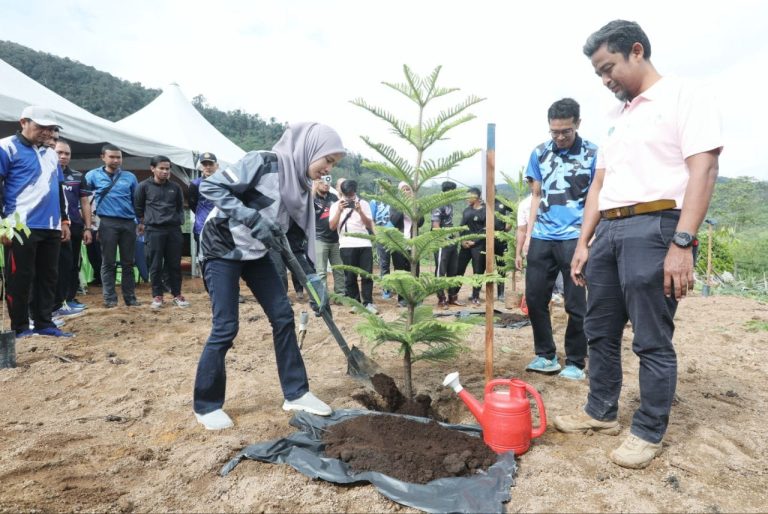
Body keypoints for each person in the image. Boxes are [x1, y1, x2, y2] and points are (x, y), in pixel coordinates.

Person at [553, 20, 722, 469]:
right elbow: (599, 184)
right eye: (598, 75)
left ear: (636, 51)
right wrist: (585, 241)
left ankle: (648, 429)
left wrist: (682, 242)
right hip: (608, 229)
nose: (606, 80)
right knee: (599, 330)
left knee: (650, 337)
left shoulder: (685, 95)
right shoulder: (617, 118)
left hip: (658, 225)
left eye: (609, 68)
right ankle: (600, 411)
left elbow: (703, 168)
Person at [193, 122, 345, 430]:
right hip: (222, 247)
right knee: (226, 326)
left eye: (333, 165)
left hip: (257, 253)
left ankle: (296, 392)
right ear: (309, 149)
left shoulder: (301, 188)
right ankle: (207, 405)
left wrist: (314, 282)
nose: (328, 169)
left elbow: (296, 241)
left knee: (282, 315)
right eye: (327, 160)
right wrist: (250, 216)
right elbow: (211, 187)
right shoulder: (263, 162)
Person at [522, 98, 597, 380]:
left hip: (575, 237)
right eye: (555, 131)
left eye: (566, 131)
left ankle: (576, 361)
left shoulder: (592, 154)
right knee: (535, 297)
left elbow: (596, 197)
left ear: (578, 123)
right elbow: (536, 196)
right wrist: (529, 235)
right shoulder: (539, 153)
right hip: (542, 235)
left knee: (576, 303)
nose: (560, 137)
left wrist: (588, 239)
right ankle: (545, 355)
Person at [0, 106, 72, 337]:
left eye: (51, 129)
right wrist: (2, 224)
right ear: (23, 122)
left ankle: (44, 322)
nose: (47, 132)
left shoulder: (51, 154)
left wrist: (63, 220)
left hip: (50, 225)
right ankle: (20, 327)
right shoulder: (6, 147)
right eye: (41, 126)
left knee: (49, 277)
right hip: (19, 225)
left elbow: (58, 189)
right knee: (20, 278)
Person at [82, 144, 140, 308]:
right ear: (103, 157)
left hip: (129, 223)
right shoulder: (92, 175)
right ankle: (110, 299)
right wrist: (90, 220)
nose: (116, 160)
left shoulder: (130, 177)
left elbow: (136, 202)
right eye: (112, 157)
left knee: (128, 262)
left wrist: (140, 222)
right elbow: (84, 199)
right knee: (108, 262)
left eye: (119, 157)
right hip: (107, 222)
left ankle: (130, 298)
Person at [135, 155, 188, 309]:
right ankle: (157, 296)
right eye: (161, 168)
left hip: (173, 230)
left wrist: (178, 221)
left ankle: (177, 294)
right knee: (155, 264)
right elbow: (138, 207)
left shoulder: (175, 187)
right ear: (153, 169)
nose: (165, 171)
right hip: (153, 230)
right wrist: (144, 223)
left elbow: (180, 207)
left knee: (174, 264)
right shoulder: (143, 186)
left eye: (167, 169)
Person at [53, 140, 93, 315]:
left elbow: (85, 203)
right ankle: (55, 302)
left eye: (67, 154)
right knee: (54, 266)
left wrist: (87, 228)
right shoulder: (45, 175)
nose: (63, 157)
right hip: (52, 227)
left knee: (72, 264)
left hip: (75, 226)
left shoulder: (77, 176)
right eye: (59, 152)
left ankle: (68, 299)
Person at [329, 179, 377, 314]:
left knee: (367, 275)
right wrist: (339, 211)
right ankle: (355, 303)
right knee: (350, 276)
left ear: (355, 191)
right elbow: (332, 227)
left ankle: (368, 303)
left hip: (364, 243)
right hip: (346, 244)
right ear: (341, 192)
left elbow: (369, 225)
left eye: (351, 194)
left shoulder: (364, 204)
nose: (349, 197)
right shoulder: (335, 206)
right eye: (346, 195)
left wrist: (360, 211)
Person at [389, 181, 424, 307]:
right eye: (403, 189)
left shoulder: (416, 204)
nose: (406, 192)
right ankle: (402, 299)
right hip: (399, 243)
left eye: (408, 189)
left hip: (413, 243)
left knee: (414, 270)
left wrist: (413, 208)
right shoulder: (395, 204)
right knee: (400, 271)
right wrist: (403, 207)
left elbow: (420, 222)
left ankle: (415, 298)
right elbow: (394, 221)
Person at [312, 174, 345, 298]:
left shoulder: (334, 197)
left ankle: (340, 295)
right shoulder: (312, 197)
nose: (326, 185)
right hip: (319, 238)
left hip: (335, 239)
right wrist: (313, 187)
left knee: (339, 269)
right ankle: (323, 297)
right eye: (322, 182)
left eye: (328, 183)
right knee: (321, 271)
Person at [433, 180, 463, 309]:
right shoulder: (438, 204)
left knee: (453, 270)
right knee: (441, 270)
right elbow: (435, 226)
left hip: (451, 242)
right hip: (441, 242)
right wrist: (445, 236)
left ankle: (452, 297)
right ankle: (441, 299)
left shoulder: (449, 204)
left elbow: (449, 223)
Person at [456, 187, 486, 305]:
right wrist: (463, 241)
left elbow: (486, 230)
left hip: (478, 246)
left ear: (476, 197)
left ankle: (475, 296)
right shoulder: (466, 211)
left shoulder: (485, 211)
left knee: (477, 271)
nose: (466, 198)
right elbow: (462, 227)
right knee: (459, 269)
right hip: (465, 245)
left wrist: (474, 241)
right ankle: (454, 294)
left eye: (469, 196)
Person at [189, 152, 218, 253]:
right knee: (203, 257)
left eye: (211, 164)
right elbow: (192, 204)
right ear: (201, 166)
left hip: (220, 226)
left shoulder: (224, 183)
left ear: (217, 166)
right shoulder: (195, 184)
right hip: (202, 225)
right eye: (205, 164)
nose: (208, 167)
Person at [368, 192, 393, 300]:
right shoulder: (375, 202)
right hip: (381, 236)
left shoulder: (395, 201)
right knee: (384, 264)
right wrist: (376, 234)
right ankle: (386, 289)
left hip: (396, 236)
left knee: (399, 264)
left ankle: (401, 289)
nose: (385, 189)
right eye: (383, 187)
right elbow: (371, 219)